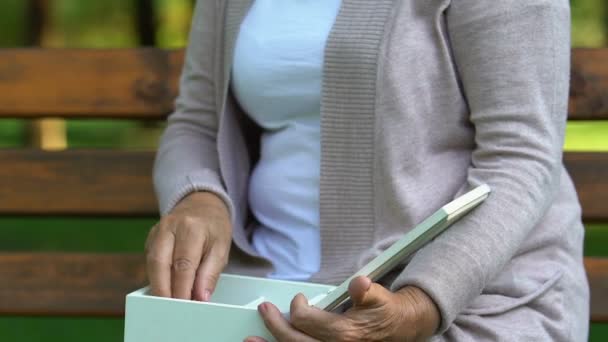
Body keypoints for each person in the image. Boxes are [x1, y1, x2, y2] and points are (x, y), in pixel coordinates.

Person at [146, 0, 589, 340]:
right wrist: (199, 197)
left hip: (464, 300)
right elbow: (197, 122)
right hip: (257, 296)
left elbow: (521, 155)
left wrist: (419, 305)